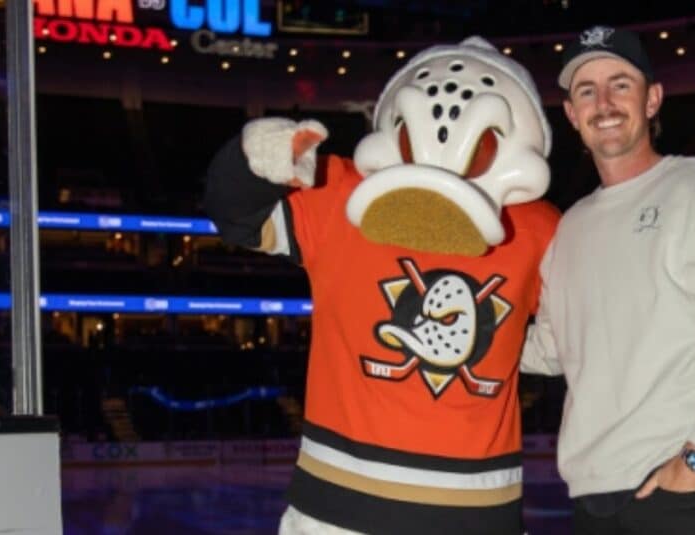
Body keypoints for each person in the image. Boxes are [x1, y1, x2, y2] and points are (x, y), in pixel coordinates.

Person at [204, 36, 559, 534]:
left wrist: (529, 347)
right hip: (336, 512)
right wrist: (256, 158)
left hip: (476, 516)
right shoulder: (340, 193)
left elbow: (587, 327)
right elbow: (235, 215)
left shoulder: (539, 226)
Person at [521, 26, 695, 534]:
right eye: (587, 90)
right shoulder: (569, 228)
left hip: (686, 492)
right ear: (572, 114)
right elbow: (551, 348)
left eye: (620, 84)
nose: (604, 102)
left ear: (652, 100)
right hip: (591, 498)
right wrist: (469, 330)